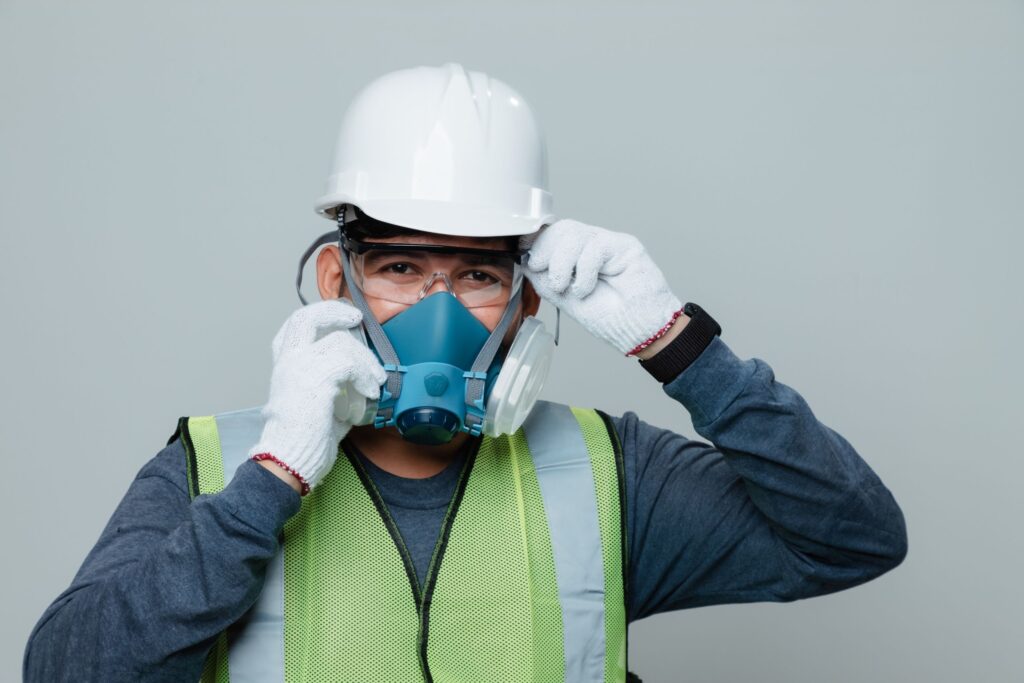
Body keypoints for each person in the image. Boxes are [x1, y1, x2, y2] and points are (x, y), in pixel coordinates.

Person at [23, 63, 908, 683]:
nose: (436, 309)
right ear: (337, 281)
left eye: (478, 274)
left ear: (528, 301)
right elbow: (68, 671)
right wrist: (275, 478)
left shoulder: (607, 474)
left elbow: (853, 535)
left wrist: (676, 343)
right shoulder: (214, 467)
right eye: (400, 268)